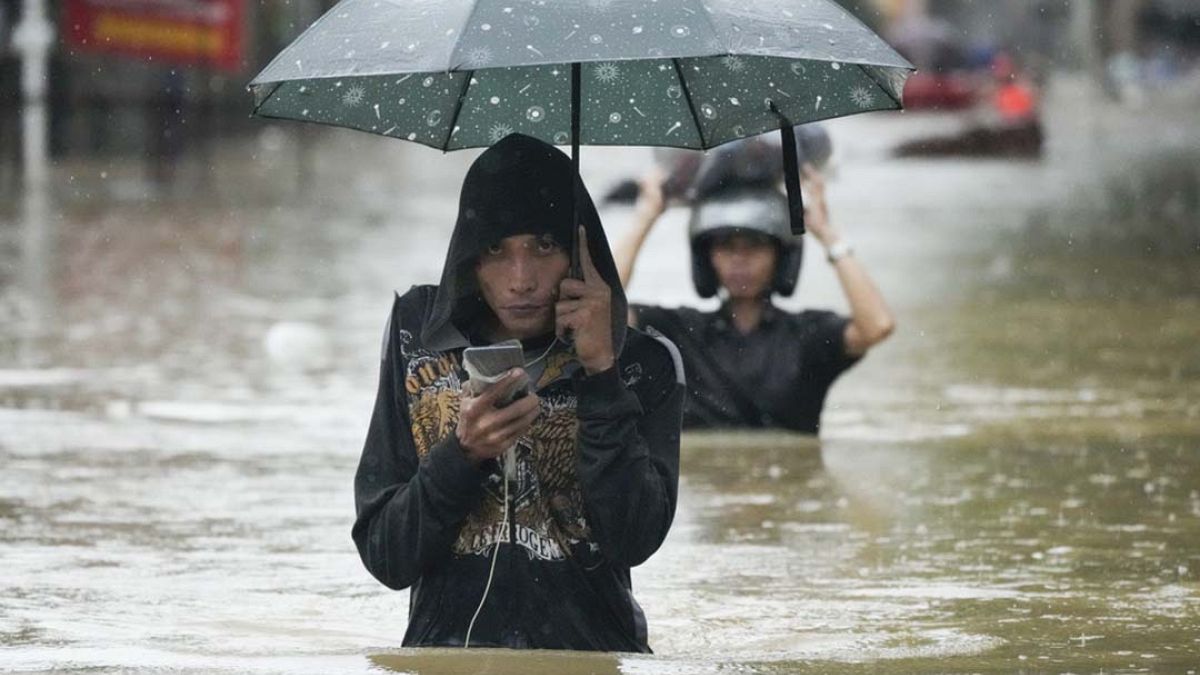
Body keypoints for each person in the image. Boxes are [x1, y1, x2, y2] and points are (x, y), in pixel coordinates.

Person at [352, 134, 684, 652]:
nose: (521, 279)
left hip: (590, 657)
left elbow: (633, 539)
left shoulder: (644, 364)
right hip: (447, 659)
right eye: (495, 250)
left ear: (579, 253)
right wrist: (461, 455)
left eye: (544, 247)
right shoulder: (417, 336)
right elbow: (386, 557)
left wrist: (601, 373)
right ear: (468, 257)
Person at [613, 164, 894, 434]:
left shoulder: (808, 336)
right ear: (707, 258)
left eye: (754, 246)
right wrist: (645, 217)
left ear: (780, 257)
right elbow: (604, 312)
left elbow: (877, 325)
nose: (739, 260)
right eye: (727, 247)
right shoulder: (679, 334)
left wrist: (828, 235)